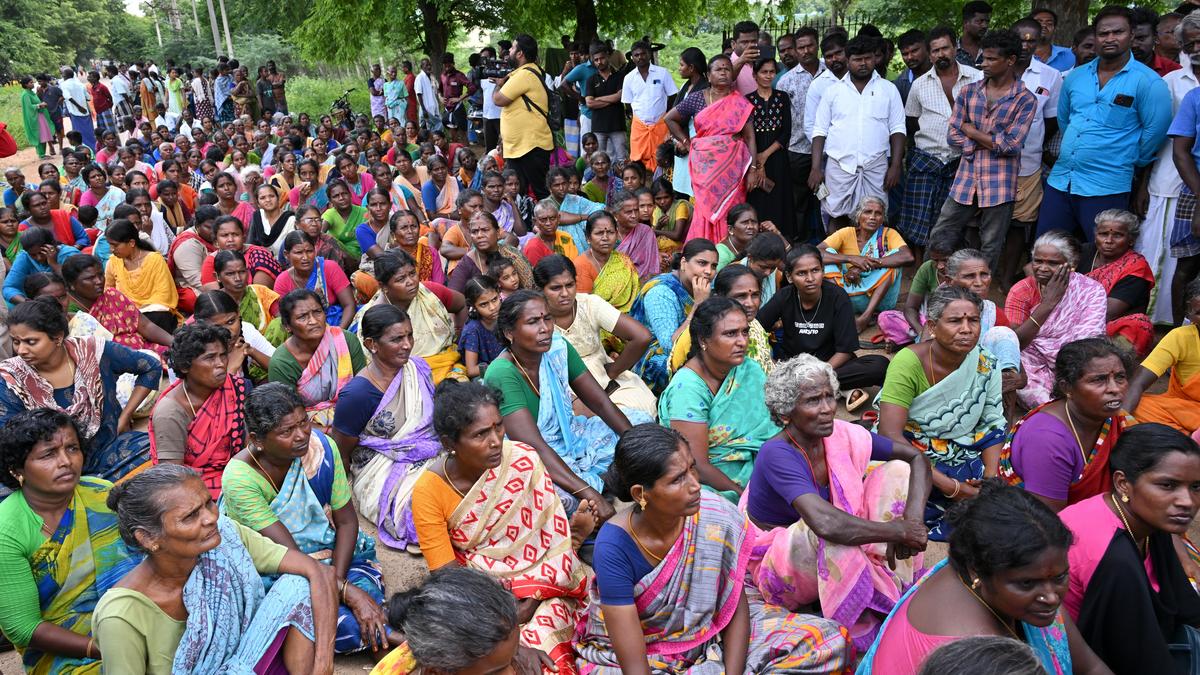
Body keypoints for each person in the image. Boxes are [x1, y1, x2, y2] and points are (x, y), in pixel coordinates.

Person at [575, 423, 853, 673]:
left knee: (827, 641)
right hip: (651, 653)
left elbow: (733, 604)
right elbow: (634, 665)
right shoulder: (614, 546)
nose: (695, 485)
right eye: (677, 479)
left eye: (692, 468)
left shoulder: (712, 513)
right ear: (640, 494)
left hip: (714, 631)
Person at [746, 354, 931, 650]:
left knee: (898, 470)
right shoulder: (777, 453)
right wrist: (899, 532)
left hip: (829, 540)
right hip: (779, 567)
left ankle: (888, 583)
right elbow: (826, 524)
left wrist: (913, 520)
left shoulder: (840, 433)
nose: (827, 409)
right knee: (825, 529)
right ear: (785, 413)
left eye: (829, 397)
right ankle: (857, 612)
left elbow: (916, 457)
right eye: (812, 401)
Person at [406, 381, 593, 673]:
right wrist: (508, 627)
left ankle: (574, 546)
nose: (495, 440)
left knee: (552, 651)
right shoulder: (429, 491)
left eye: (499, 426)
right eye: (481, 434)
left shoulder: (522, 459)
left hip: (546, 582)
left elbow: (549, 539)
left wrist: (533, 598)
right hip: (482, 593)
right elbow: (449, 579)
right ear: (449, 443)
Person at [92, 464, 338, 674]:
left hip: (244, 664)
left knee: (298, 584)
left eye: (208, 503)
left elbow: (316, 571)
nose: (210, 517)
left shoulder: (225, 536)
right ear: (147, 539)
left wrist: (323, 663)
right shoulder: (121, 616)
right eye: (190, 516)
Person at [857, 481, 1111, 674]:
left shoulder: (995, 574)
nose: (1052, 596)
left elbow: (1090, 666)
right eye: (1026, 584)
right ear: (977, 570)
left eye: (1060, 577)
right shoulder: (974, 653)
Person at [222, 383, 391, 656]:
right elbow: (289, 557)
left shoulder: (322, 449)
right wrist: (347, 593)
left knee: (373, 607)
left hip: (333, 557)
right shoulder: (241, 480)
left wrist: (336, 586)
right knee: (342, 626)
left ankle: (388, 636)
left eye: (304, 422)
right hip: (280, 569)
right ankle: (398, 642)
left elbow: (347, 521)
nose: (301, 435)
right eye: (286, 431)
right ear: (257, 439)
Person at [0, 409, 142, 673]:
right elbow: (22, 628)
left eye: (72, 448)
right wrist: (100, 647)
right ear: (17, 468)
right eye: (48, 454)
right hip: (65, 651)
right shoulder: (6, 530)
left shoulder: (100, 494)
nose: (66, 461)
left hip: (131, 619)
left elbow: (144, 558)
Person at [484, 291, 646, 519]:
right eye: (533, 322)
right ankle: (600, 486)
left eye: (547, 318)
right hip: (532, 455)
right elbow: (533, 447)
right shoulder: (502, 372)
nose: (545, 328)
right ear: (510, 333)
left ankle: (602, 482)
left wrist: (640, 448)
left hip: (570, 436)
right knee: (557, 498)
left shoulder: (558, 348)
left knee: (639, 423)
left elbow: (599, 401)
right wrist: (590, 494)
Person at [1059, 423, 1200, 675]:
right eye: (1167, 485)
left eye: (1196, 487)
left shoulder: (1143, 517)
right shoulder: (1113, 560)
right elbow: (1134, 657)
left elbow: (1186, 606)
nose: (1187, 501)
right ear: (1123, 483)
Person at [878, 286, 1007, 540]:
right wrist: (952, 487)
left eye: (973, 320)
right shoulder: (908, 362)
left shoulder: (985, 362)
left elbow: (992, 421)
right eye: (955, 321)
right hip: (911, 451)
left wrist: (991, 477)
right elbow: (889, 433)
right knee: (895, 491)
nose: (966, 329)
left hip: (963, 449)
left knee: (1007, 490)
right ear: (934, 327)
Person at [1038, 6, 1171, 242]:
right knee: (1047, 247)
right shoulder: (1076, 77)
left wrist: (1129, 158)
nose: (1109, 39)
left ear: (1130, 35)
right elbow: (1065, 120)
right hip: (1062, 180)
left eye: (1117, 32)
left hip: (1107, 185)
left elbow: (1155, 133)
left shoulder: (1148, 82)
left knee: (1101, 254)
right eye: (1103, 34)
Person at [0, 298, 158, 482]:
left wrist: (124, 417)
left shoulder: (92, 351)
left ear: (58, 337)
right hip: (54, 469)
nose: (21, 350)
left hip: (109, 448)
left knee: (159, 450)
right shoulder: (11, 379)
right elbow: (10, 440)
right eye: (16, 342)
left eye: (31, 342)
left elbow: (150, 367)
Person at [329, 304, 441, 550]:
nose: (407, 344)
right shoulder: (357, 394)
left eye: (409, 335)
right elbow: (341, 449)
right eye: (397, 339)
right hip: (380, 468)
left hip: (431, 451)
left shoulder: (417, 368)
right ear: (371, 344)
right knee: (422, 508)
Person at [927, 29, 1037, 274]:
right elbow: (952, 134)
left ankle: (978, 296)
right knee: (941, 231)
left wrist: (972, 131)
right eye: (983, 58)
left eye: (991, 59)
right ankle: (931, 286)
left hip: (1000, 183)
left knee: (991, 243)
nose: (984, 64)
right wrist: (972, 143)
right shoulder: (969, 92)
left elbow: (1010, 145)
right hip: (966, 178)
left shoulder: (1025, 99)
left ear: (1010, 60)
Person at [658, 296, 777, 499]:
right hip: (709, 482)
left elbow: (771, 429)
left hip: (756, 464)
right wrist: (745, 497)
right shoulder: (687, 389)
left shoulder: (749, 371)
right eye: (730, 334)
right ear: (703, 340)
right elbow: (696, 465)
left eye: (744, 332)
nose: (742, 341)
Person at [998, 338, 1133, 512]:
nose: (1115, 389)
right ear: (1067, 387)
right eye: (1099, 380)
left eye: (1120, 377)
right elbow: (1049, 524)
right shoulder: (1047, 439)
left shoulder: (1118, 420)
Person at [757, 244, 889, 394]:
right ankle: (829, 389)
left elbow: (845, 351)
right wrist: (771, 363)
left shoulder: (838, 297)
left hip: (829, 365)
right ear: (789, 277)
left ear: (823, 271)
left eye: (815, 270)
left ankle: (805, 387)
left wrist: (819, 374)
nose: (810, 278)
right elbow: (756, 328)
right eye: (801, 273)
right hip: (793, 365)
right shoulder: (784, 296)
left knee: (879, 365)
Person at [535, 255, 657, 416]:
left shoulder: (589, 304)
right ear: (540, 290)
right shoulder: (534, 317)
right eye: (556, 288)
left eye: (570, 285)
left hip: (607, 382)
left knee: (642, 409)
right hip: (564, 390)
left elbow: (642, 336)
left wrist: (614, 370)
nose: (565, 293)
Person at [899, 27, 982, 251]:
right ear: (929, 53)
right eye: (935, 51)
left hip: (963, 159)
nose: (940, 54)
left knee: (953, 221)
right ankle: (920, 270)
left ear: (955, 47)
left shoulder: (977, 78)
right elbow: (912, 121)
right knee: (918, 218)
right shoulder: (919, 84)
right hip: (927, 158)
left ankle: (950, 269)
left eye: (944, 48)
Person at [809, 36, 905, 230]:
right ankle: (837, 259)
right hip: (839, 166)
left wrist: (895, 165)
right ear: (847, 60)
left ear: (875, 59)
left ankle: (871, 259)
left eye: (868, 58)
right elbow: (819, 131)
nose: (863, 63)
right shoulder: (833, 91)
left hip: (876, 166)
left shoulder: (888, 89)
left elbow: (898, 129)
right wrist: (816, 168)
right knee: (837, 216)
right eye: (857, 59)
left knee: (875, 217)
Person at [373, 567, 545, 674]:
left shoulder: (439, 649)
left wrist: (510, 654)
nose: (513, 673)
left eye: (514, 656)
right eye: (495, 673)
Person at [1005, 231, 1107, 408]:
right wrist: (1048, 303)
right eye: (1038, 261)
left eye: (1053, 263)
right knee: (1026, 385)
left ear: (1071, 265)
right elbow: (1015, 344)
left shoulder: (1091, 290)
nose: (1043, 268)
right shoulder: (1021, 291)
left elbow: (1088, 340)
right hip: (1031, 361)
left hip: (1075, 362)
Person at [665, 53, 757, 242]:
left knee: (732, 208)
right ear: (708, 74)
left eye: (727, 69)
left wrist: (754, 168)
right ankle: (704, 248)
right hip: (704, 166)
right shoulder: (698, 98)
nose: (724, 72)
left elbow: (749, 136)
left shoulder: (741, 103)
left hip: (733, 166)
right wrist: (687, 144)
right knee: (704, 208)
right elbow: (670, 119)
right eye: (719, 69)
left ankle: (730, 250)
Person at [149, 322, 246, 498]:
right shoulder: (170, 413)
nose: (221, 364)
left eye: (223, 356)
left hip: (236, 472)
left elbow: (249, 444)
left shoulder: (233, 389)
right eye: (210, 358)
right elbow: (173, 479)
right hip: (196, 485)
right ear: (185, 366)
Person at [352, 250, 467, 384]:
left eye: (412, 274)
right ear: (384, 286)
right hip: (399, 382)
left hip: (447, 369)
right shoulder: (372, 319)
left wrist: (460, 337)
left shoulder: (430, 293)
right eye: (401, 279)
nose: (411, 282)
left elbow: (462, 303)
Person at [267, 289, 367, 430]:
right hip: (308, 429)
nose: (313, 321)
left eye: (317, 312)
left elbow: (363, 389)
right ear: (287, 326)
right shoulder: (282, 363)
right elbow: (288, 416)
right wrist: (329, 433)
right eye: (302, 317)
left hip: (354, 415)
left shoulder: (345, 340)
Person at [631, 238, 719, 393]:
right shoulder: (661, 292)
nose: (709, 271)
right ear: (684, 263)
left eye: (714, 266)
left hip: (694, 346)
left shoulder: (703, 286)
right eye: (702, 263)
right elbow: (670, 346)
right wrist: (698, 304)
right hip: (653, 357)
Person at [820, 196, 914, 332]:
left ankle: (865, 317)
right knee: (827, 255)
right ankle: (841, 311)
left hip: (878, 301)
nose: (873, 217)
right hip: (845, 296)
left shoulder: (888, 234)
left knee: (893, 260)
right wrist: (851, 258)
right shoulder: (846, 233)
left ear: (883, 218)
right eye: (868, 212)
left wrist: (863, 266)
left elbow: (907, 256)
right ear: (858, 216)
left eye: (878, 213)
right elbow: (816, 253)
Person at [1074, 210, 1155, 357]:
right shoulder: (1083, 251)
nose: (1109, 240)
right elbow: (1035, 269)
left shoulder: (1136, 266)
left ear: (1131, 240)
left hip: (1108, 329)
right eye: (1103, 234)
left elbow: (1106, 313)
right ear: (1095, 235)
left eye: (1117, 235)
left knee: (1139, 325)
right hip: (1070, 318)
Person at [670, 263, 774, 377]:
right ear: (721, 297)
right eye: (741, 296)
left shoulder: (755, 325)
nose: (750, 304)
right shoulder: (701, 331)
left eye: (755, 295)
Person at [1125, 278, 1200, 433]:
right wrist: (1121, 418)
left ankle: (1181, 439)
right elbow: (1139, 382)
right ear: (1189, 313)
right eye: (1199, 313)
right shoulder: (1180, 337)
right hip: (1182, 410)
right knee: (1138, 406)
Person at [62, 254, 173, 357]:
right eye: (90, 278)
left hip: (142, 349)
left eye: (100, 275)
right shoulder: (71, 312)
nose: (99, 281)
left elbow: (145, 325)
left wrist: (174, 343)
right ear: (72, 285)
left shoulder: (112, 296)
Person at [492, 35, 554, 200]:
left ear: (520, 54)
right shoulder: (521, 74)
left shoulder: (525, 74)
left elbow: (498, 100)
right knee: (517, 194)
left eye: (512, 48)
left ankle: (551, 224)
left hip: (531, 146)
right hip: (520, 147)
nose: (508, 52)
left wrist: (498, 85)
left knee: (541, 193)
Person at [743, 57, 794, 236]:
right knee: (757, 197)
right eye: (764, 72)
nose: (768, 75)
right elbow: (746, 134)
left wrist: (764, 155)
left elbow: (786, 132)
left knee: (779, 198)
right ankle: (757, 239)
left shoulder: (782, 98)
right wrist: (756, 160)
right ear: (755, 75)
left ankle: (781, 240)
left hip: (777, 157)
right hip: (752, 156)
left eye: (772, 72)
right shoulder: (747, 100)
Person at [103, 220, 179, 333]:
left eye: (115, 245)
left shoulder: (154, 260)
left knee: (159, 317)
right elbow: (108, 291)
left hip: (153, 313)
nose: (111, 250)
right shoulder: (113, 262)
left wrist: (139, 311)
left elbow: (164, 294)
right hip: (125, 314)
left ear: (132, 243)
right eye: (110, 245)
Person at [274, 232, 355, 329]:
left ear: (315, 250)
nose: (305, 257)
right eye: (299, 253)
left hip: (336, 321)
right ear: (286, 255)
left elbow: (349, 304)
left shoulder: (329, 268)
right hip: (302, 330)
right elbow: (283, 317)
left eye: (309, 251)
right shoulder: (283, 280)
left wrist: (339, 333)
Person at [623, 41, 679, 172]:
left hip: (660, 124)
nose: (640, 57)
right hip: (639, 127)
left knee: (663, 160)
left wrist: (667, 115)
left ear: (649, 54)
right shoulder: (629, 78)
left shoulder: (662, 73)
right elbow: (627, 102)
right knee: (637, 162)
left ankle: (661, 188)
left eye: (643, 53)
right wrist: (635, 118)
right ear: (632, 57)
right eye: (636, 55)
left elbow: (673, 95)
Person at [446, 211, 531, 294]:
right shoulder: (467, 263)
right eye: (474, 231)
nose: (479, 235)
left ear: (497, 233)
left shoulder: (512, 255)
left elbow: (531, 287)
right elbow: (454, 297)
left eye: (485, 230)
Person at [572, 210, 639, 311]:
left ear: (616, 234)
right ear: (588, 237)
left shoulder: (624, 261)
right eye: (599, 233)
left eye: (610, 232)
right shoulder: (581, 265)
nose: (605, 238)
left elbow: (635, 297)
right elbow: (584, 309)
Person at [200, 215, 282, 291]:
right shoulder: (212, 260)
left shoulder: (258, 255)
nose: (230, 239)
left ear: (243, 237)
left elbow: (260, 293)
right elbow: (213, 294)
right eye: (225, 235)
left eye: (235, 234)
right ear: (215, 242)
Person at [211, 250, 281, 340]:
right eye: (230, 274)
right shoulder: (213, 302)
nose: (238, 278)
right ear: (217, 277)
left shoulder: (261, 292)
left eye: (242, 272)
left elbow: (284, 319)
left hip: (269, 349)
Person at [611, 190, 659, 284]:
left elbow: (651, 267)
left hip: (643, 284)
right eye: (628, 212)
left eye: (636, 210)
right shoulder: (608, 234)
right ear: (616, 215)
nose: (634, 216)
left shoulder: (645, 232)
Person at [523, 199, 578, 267]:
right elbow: (539, 275)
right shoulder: (533, 247)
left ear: (558, 218)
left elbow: (575, 264)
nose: (548, 223)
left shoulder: (565, 237)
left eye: (552, 218)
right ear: (535, 222)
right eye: (543, 220)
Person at [321, 180, 365, 264]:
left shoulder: (364, 212)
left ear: (350, 194)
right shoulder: (330, 214)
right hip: (341, 258)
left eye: (344, 193)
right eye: (336, 196)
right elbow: (319, 234)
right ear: (330, 201)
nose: (341, 198)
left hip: (365, 254)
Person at [247, 183, 295, 257]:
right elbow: (250, 245)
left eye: (271, 196)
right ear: (258, 203)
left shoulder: (290, 219)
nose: (268, 200)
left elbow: (294, 249)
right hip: (261, 264)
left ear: (278, 198)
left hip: (285, 264)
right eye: (263, 198)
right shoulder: (257, 217)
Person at [20, 76, 55, 160]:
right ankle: (41, 154)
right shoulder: (25, 94)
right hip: (35, 118)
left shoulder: (31, 92)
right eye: (31, 82)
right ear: (26, 84)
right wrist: (40, 105)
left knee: (44, 135)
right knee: (39, 135)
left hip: (40, 116)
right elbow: (29, 107)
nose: (33, 84)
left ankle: (43, 153)